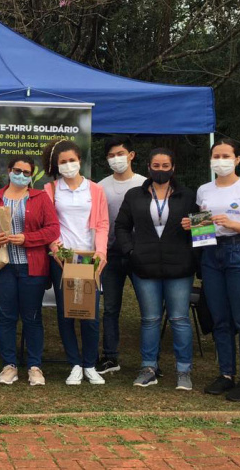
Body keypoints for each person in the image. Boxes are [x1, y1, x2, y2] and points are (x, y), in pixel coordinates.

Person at [185, 138, 240, 402]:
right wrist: (194, 226)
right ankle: (226, 374)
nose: (220, 161)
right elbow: (205, 229)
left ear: (237, 159)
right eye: (216, 156)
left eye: (225, 156)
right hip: (211, 253)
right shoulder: (204, 190)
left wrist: (232, 224)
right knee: (219, 318)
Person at [115, 148, 198, 391]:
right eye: (156, 166)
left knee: (180, 319)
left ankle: (184, 370)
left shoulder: (188, 195)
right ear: (149, 168)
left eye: (165, 166)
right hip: (144, 266)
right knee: (150, 319)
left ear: (173, 168)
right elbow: (121, 226)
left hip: (180, 267)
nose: (160, 170)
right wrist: (130, 252)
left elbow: (204, 230)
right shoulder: (134, 195)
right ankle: (148, 368)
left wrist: (193, 229)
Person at [0, 155, 59, 386]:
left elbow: (53, 229)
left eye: (26, 172)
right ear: (9, 171)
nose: (21, 175)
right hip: (3, 267)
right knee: (6, 317)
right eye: (17, 170)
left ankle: (34, 366)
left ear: (31, 176)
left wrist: (27, 238)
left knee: (32, 317)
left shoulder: (40, 198)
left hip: (32, 266)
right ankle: (9, 365)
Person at [41, 139, 109, 386]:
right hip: (63, 259)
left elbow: (102, 223)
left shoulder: (95, 190)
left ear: (80, 161)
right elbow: (47, 225)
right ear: (56, 165)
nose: (68, 165)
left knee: (90, 315)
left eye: (72, 160)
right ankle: (75, 365)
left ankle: (90, 364)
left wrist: (101, 252)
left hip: (89, 259)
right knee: (66, 313)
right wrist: (56, 249)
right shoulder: (50, 190)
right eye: (63, 161)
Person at [95, 136, 146, 375]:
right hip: (110, 255)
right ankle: (110, 357)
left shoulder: (144, 184)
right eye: (111, 155)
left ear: (131, 155)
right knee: (110, 308)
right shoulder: (100, 186)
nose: (116, 159)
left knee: (148, 309)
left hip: (140, 254)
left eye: (120, 154)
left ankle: (150, 361)